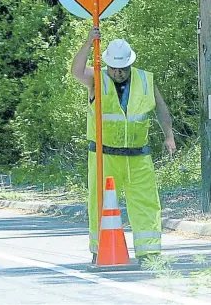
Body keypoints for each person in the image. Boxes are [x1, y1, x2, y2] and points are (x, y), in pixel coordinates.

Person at [71, 26, 176, 265]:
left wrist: (168, 135)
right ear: (108, 64)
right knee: (100, 202)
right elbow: (76, 70)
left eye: (122, 68)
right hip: (104, 155)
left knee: (146, 202)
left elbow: (161, 109)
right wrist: (88, 43)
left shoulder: (144, 79)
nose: (118, 72)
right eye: (114, 68)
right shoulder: (97, 78)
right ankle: (99, 250)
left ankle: (149, 252)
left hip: (139, 156)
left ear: (130, 65)